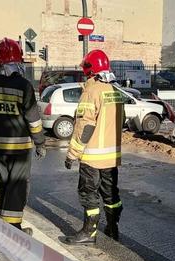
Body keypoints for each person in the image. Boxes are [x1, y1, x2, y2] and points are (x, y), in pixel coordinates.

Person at [0, 38, 46, 234]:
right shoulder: (24, 86)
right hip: (19, 148)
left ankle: (5, 223)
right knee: (16, 187)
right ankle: (13, 228)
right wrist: (40, 143)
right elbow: (33, 120)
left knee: (4, 183)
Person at [59, 50, 124, 244]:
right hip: (111, 157)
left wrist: (72, 154)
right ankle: (113, 228)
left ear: (90, 70)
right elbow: (121, 121)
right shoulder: (116, 91)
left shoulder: (91, 91)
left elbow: (85, 126)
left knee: (89, 194)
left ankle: (89, 232)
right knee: (111, 194)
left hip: (92, 157)